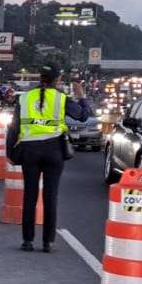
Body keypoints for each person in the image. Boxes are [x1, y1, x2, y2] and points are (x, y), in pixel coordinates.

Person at [14, 64, 91, 253]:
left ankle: (27, 241)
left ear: (41, 77)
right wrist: (81, 96)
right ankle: (48, 242)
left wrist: (11, 154)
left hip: (29, 151)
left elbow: (14, 128)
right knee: (50, 197)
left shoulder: (25, 97)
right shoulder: (62, 98)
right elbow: (83, 117)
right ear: (57, 80)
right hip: (54, 151)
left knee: (29, 197)